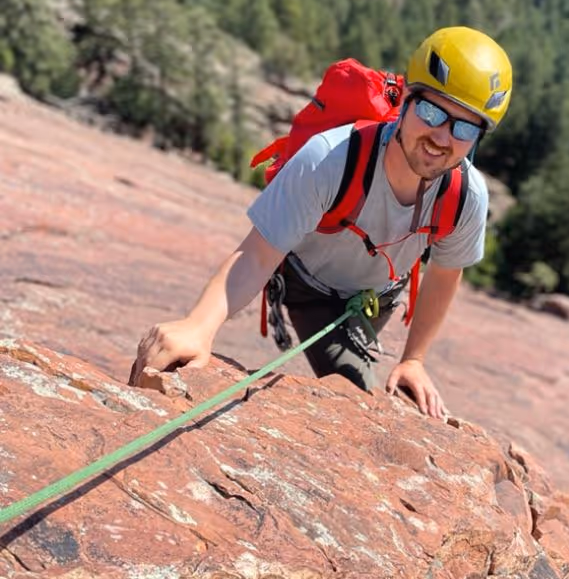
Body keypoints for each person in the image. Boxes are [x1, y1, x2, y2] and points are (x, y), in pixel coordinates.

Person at [130, 26, 512, 419]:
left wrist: (414, 359)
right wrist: (198, 326)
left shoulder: (466, 196)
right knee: (356, 403)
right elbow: (258, 255)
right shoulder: (332, 158)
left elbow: (445, 275)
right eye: (431, 111)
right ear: (407, 99)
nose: (441, 136)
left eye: (465, 127)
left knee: (366, 406)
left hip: (374, 298)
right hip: (307, 284)